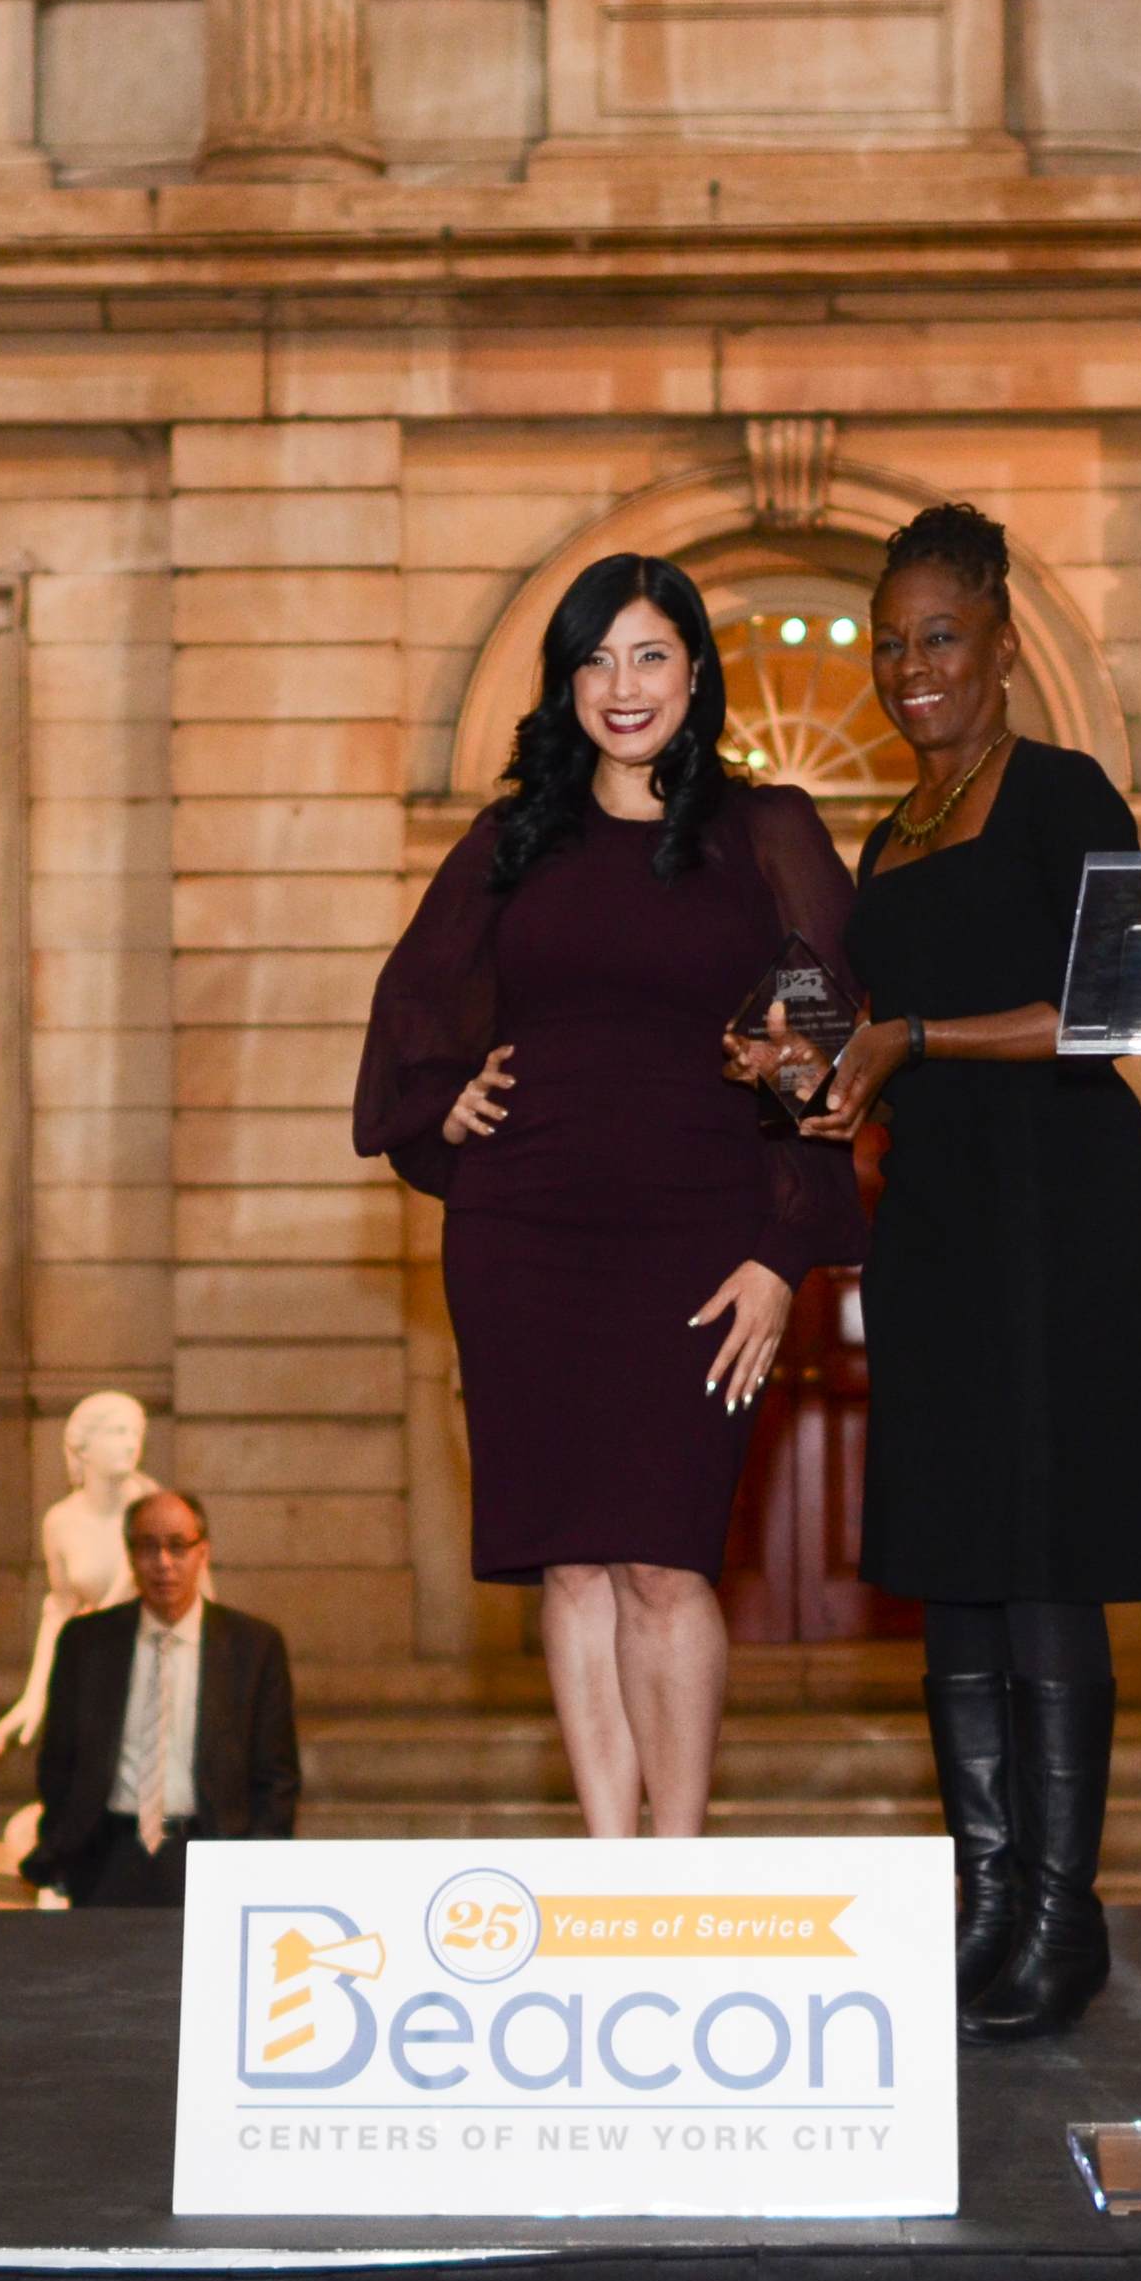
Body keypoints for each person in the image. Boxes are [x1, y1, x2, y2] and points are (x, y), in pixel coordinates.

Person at [743, 502, 1141, 2043]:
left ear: (1001, 648)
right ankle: (987, 1896)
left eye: (940, 637)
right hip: (933, 1213)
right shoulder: (890, 836)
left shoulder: (1063, 794)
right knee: (954, 1559)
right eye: (891, 642)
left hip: (1062, 1201)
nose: (911, 667)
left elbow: (1116, 1009)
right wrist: (812, 1069)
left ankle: (1068, 1913)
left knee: (1044, 1553)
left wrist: (913, 1037)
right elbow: (874, 1036)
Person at [352, 552, 865, 1844]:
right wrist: (446, 1101)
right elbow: (413, 1007)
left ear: (695, 669)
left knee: (666, 1558)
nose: (622, 686)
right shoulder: (509, 842)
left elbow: (834, 1059)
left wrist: (780, 1251)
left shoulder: (768, 835)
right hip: (522, 1237)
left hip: (698, 1241)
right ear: (566, 683)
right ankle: (608, 1867)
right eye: (596, 659)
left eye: (648, 655)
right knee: (571, 1559)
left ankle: (677, 1871)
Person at [18, 1486, 300, 1908]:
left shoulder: (252, 1647)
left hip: (212, 1854)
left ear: (202, 1553)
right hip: (105, 1857)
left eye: (177, 1547)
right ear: (130, 1556)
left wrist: (254, 1862)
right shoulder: (87, 1642)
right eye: (148, 1547)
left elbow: (276, 1776)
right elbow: (58, 1760)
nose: (163, 1563)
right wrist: (63, 1845)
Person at [0, 1389, 165, 1754]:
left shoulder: (156, 1511)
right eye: (118, 1432)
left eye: (136, 1433)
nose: (131, 1444)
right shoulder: (61, 1521)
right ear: (82, 1446)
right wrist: (35, 1696)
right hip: (93, 1676)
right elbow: (60, 1610)